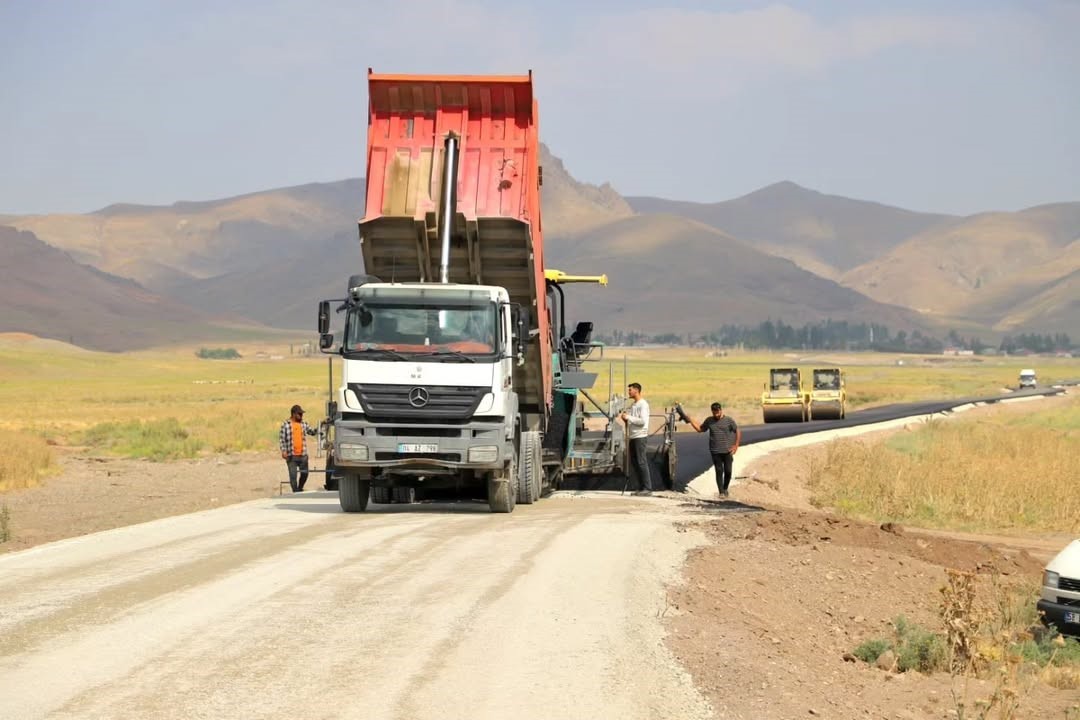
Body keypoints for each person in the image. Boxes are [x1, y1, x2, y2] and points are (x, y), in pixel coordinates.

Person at [686, 402, 741, 498]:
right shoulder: (709, 421)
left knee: (728, 471)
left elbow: (737, 431)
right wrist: (691, 420)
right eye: (714, 412)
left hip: (727, 450)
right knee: (719, 471)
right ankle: (721, 493)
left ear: (721, 410)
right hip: (715, 451)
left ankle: (725, 488)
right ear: (712, 411)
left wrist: (736, 445)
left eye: (717, 411)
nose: (716, 413)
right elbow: (700, 429)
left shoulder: (728, 420)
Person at [619, 382, 652, 496]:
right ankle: (641, 487)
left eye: (630, 390)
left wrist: (628, 417)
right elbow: (632, 421)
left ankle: (647, 488)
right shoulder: (634, 405)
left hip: (640, 436)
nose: (629, 392)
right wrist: (625, 419)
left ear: (636, 390)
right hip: (633, 436)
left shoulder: (643, 404)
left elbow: (642, 421)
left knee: (641, 462)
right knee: (635, 462)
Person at [279, 404, 318, 492]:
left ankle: (300, 488)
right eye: (299, 414)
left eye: (302, 414)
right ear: (293, 414)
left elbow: (311, 432)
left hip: (303, 455)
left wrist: (321, 426)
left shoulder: (304, 424)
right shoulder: (286, 425)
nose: (301, 416)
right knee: (293, 476)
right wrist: (283, 451)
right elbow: (282, 439)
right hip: (291, 455)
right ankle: (295, 492)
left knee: (305, 474)